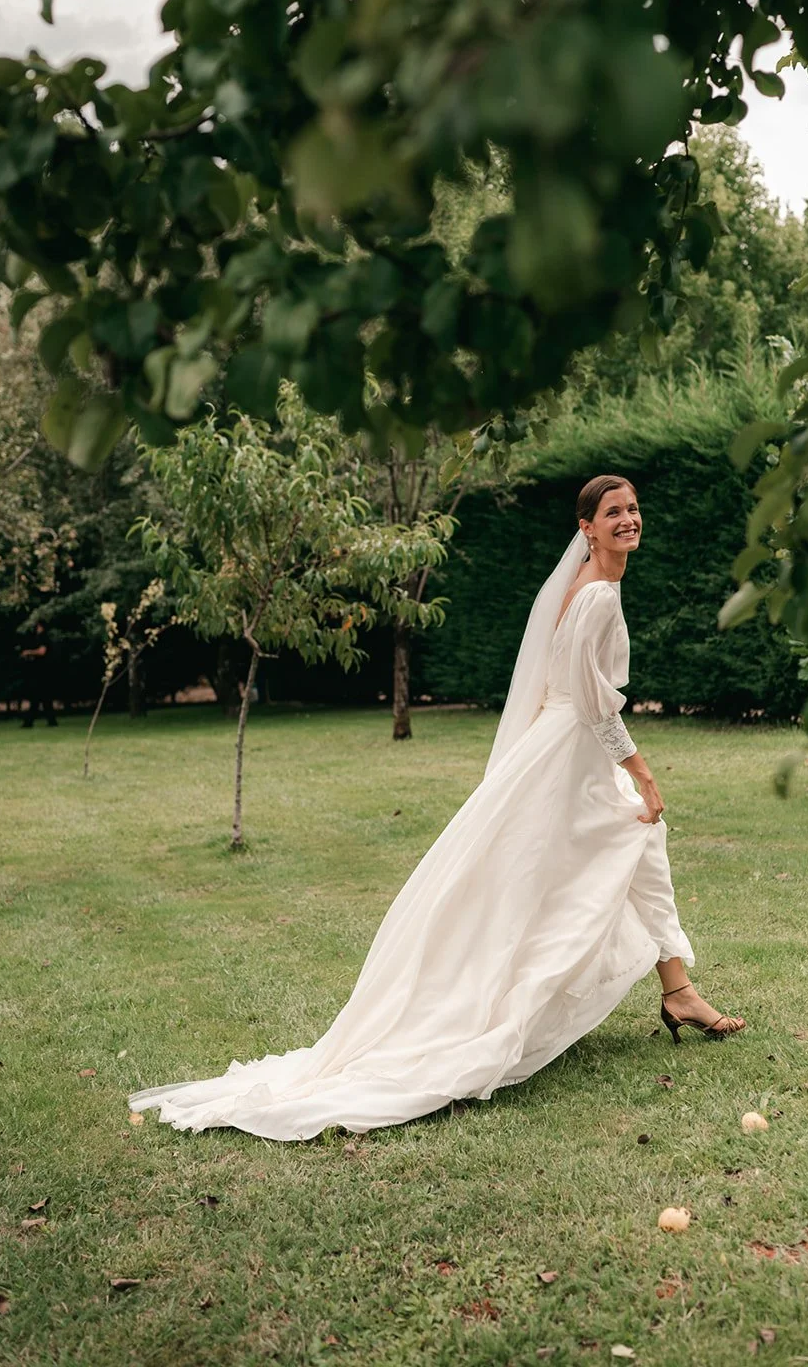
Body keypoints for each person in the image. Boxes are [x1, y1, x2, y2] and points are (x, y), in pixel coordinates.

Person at [128, 474, 744, 1141]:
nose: (629, 519)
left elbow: (558, 688)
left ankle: (677, 990)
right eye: (613, 512)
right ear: (587, 529)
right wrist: (641, 771)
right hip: (572, 751)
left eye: (633, 508)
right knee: (614, 848)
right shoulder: (596, 596)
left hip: (562, 752)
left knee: (632, 847)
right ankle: (553, 998)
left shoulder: (588, 588)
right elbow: (594, 702)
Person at [19, 621, 58, 728]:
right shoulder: (40, 638)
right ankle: (51, 721)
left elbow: (42, 651)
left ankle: (29, 722)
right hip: (42, 673)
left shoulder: (43, 637)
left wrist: (29, 652)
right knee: (44, 699)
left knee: (36, 698)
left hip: (42, 673)